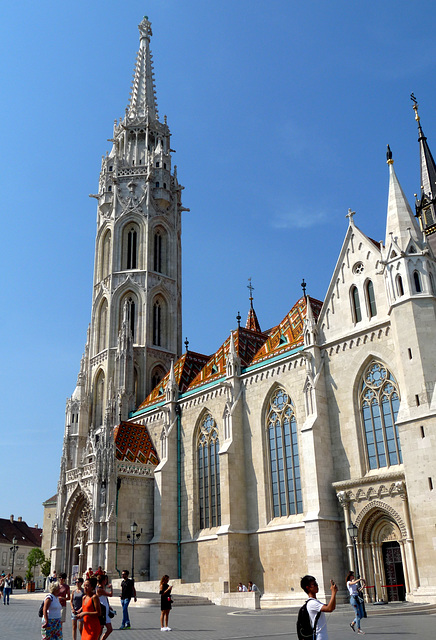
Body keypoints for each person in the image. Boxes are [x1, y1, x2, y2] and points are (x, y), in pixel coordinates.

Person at [300, 575, 338, 640]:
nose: (316, 586)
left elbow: (331, 607)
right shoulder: (312, 603)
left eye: (316, 583)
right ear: (308, 587)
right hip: (319, 637)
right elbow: (329, 608)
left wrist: (334, 593)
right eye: (314, 584)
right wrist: (333, 593)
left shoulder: (315, 602)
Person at [97, 573, 113, 639]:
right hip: (102, 611)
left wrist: (108, 605)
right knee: (100, 629)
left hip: (105, 611)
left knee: (109, 629)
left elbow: (105, 598)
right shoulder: (99, 589)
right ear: (104, 581)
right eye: (106, 580)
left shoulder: (102, 588)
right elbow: (110, 594)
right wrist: (112, 587)